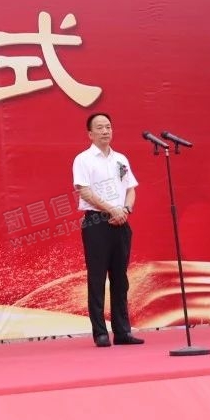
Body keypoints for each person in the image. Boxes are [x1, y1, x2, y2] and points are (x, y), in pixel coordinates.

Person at [72, 112, 143, 347]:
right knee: (97, 278)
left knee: (121, 279)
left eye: (108, 127)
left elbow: (130, 188)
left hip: (122, 220)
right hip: (97, 222)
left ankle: (122, 331)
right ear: (90, 134)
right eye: (100, 128)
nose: (105, 131)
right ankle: (100, 332)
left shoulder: (120, 159)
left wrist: (126, 209)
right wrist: (111, 210)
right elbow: (85, 191)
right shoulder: (83, 159)